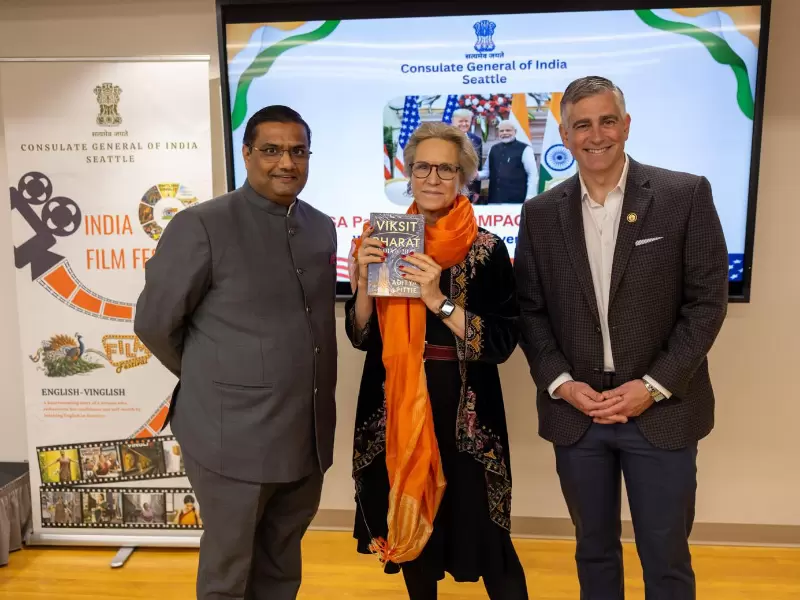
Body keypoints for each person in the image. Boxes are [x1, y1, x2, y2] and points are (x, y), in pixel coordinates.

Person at [514, 75, 728, 599]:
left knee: (666, 556)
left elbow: (706, 304)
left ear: (626, 125)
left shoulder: (684, 195)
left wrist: (652, 386)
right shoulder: (540, 214)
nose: (596, 135)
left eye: (607, 121)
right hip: (577, 414)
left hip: (661, 410)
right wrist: (562, 384)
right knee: (593, 552)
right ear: (564, 135)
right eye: (582, 124)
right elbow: (530, 311)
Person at [134, 105, 337, 600]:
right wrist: (211, 375)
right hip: (231, 436)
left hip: (305, 433)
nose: (286, 162)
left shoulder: (321, 227)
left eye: (298, 151)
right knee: (229, 574)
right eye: (271, 150)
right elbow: (155, 324)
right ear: (246, 154)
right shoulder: (201, 225)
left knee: (282, 565)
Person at [346, 121, 528, 599]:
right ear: (408, 174)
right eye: (422, 167)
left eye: (446, 169)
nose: (433, 178)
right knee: (412, 534)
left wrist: (437, 301)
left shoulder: (487, 248)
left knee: (489, 539)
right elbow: (362, 336)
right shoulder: (381, 239)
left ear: (463, 177)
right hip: (396, 403)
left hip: (465, 410)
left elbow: (502, 342)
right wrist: (362, 284)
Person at [477, 120, 538, 204]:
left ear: (515, 132)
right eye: (501, 131)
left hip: (517, 201)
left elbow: (533, 174)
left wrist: (530, 196)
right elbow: (487, 172)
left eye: (508, 130)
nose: (504, 133)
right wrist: (476, 175)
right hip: (494, 200)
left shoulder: (525, 149)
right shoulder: (493, 149)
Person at [451, 108, 483, 201]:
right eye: (460, 121)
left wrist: (477, 190)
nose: (464, 124)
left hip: (470, 189)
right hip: (450, 186)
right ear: (453, 121)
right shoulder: (445, 138)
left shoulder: (476, 140)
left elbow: (478, 166)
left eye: (466, 121)